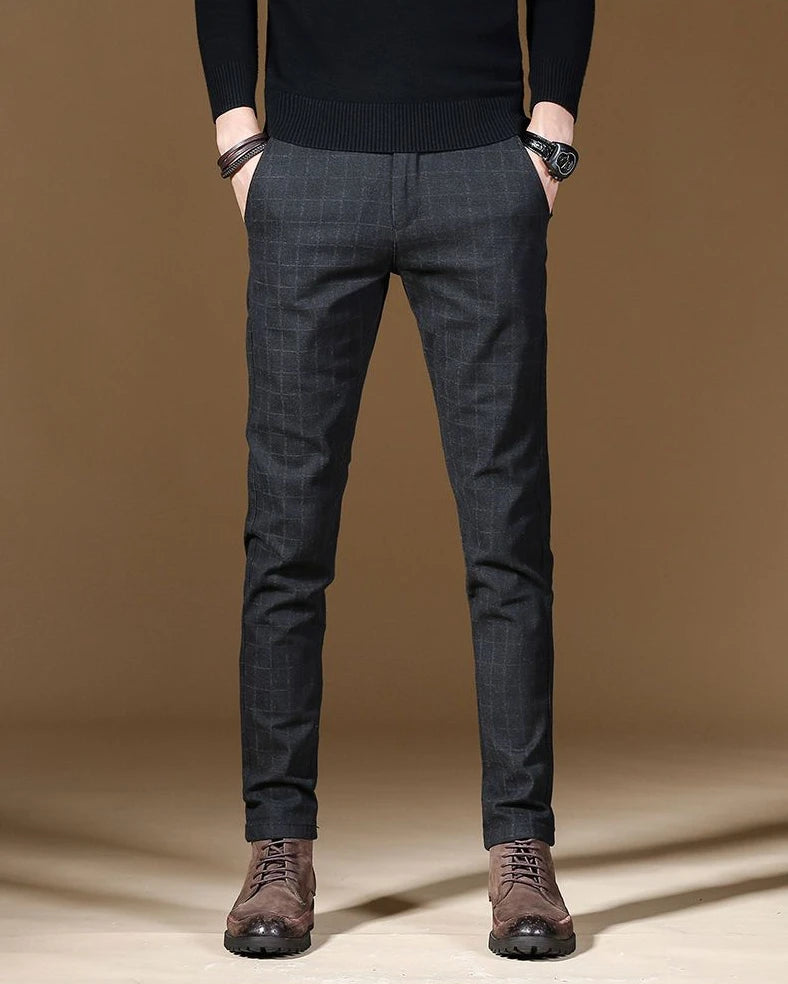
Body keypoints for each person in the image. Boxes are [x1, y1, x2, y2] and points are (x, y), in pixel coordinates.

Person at [194, 0, 594, 960]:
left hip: (481, 170)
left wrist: (551, 133)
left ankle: (522, 849)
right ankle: (278, 848)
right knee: (286, 534)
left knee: (507, 532)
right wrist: (238, 138)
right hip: (309, 171)